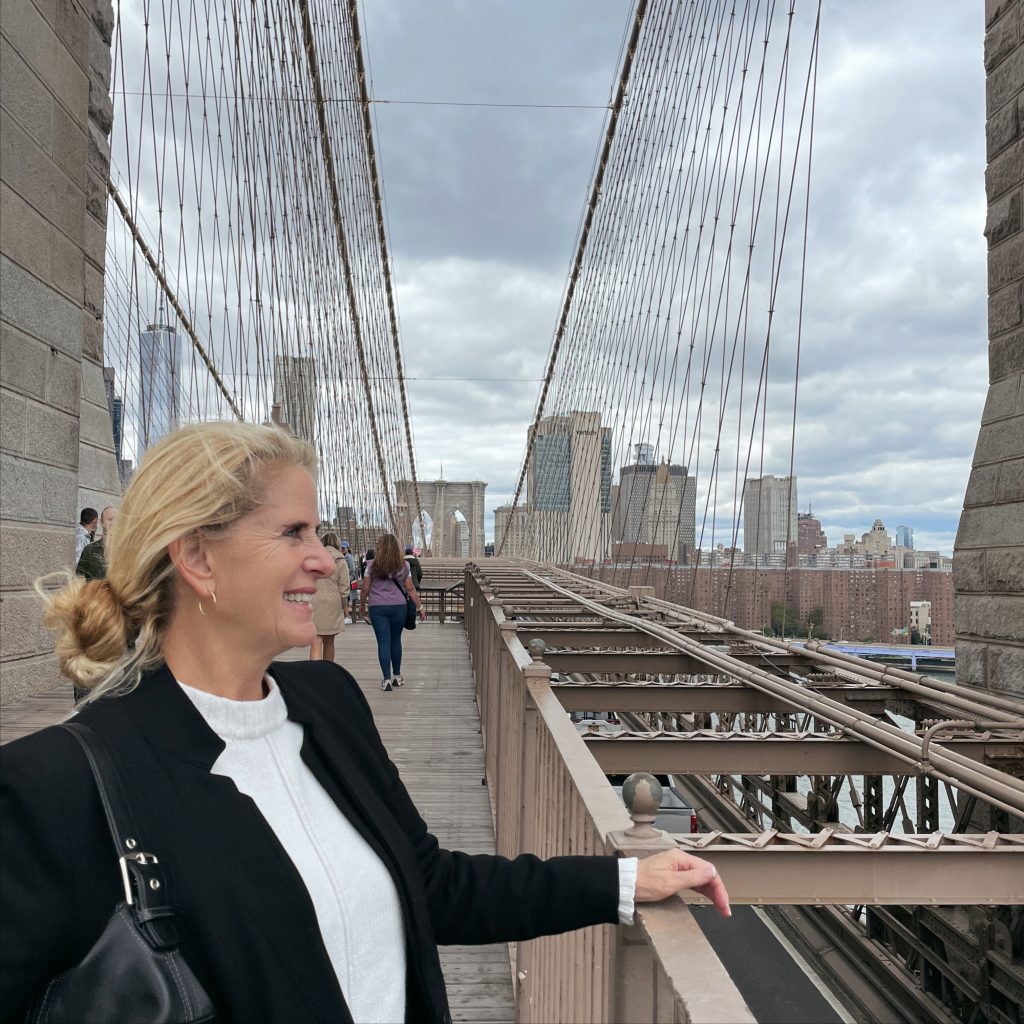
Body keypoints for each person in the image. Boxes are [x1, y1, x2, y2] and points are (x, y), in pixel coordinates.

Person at [0, 421, 730, 1024]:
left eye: (318, 533)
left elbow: (433, 885)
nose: (325, 560)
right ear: (197, 557)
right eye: (294, 533)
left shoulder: (326, 701)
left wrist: (622, 881)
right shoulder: (52, 788)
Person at [360, 535, 423, 692]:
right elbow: (410, 589)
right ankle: (397, 676)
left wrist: (362, 607)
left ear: (379, 548)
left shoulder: (371, 565)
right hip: (398, 607)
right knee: (395, 640)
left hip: (377, 607)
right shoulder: (404, 565)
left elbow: (365, 589)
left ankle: (386, 679)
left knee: (383, 642)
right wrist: (420, 607)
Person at [310, 531, 348, 662]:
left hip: (314, 600)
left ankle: (314, 674)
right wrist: (344, 605)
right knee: (330, 640)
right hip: (333, 602)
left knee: (316, 640)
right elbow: (344, 587)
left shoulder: (313, 558)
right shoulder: (341, 560)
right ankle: (328, 672)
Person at [76, 506, 118, 581]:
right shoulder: (89, 550)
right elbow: (78, 579)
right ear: (101, 522)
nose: (113, 523)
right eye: (110, 519)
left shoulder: (125, 552)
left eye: (116, 520)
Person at [340, 540, 357, 624]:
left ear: (347, 548)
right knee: (344, 598)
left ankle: (347, 616)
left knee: (345, 598)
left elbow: (353, 569)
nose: (342, 549)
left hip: (348, 579)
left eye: (343, 548)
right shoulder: (342, 556)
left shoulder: (348, 557)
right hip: (344, 579)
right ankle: (345, 616)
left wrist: (344, 571)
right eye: (341, 547)